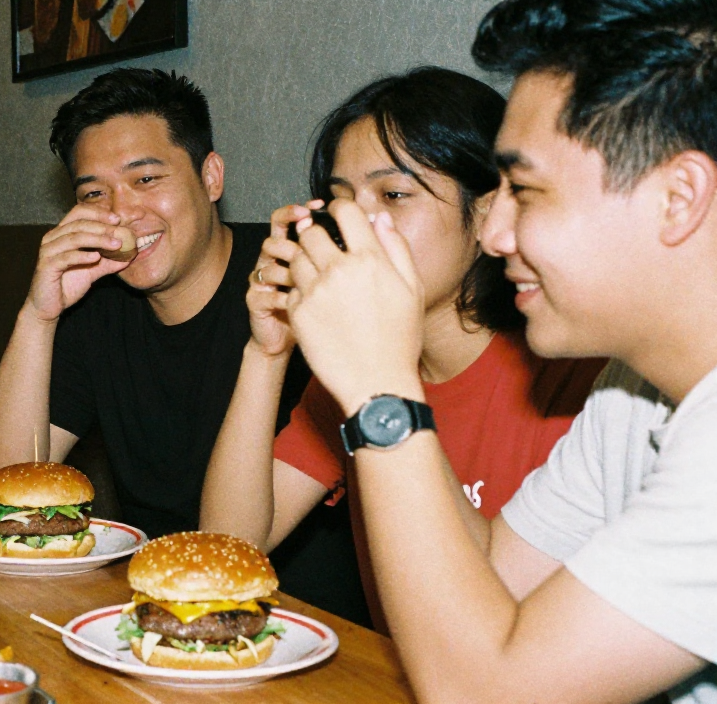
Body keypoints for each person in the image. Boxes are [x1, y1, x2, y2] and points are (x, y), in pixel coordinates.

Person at [278, 0, 717, 701]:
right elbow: (490, 579)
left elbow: (482, 694)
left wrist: (379, 391)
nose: (493, 234)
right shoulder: (628, 391)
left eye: (526, 191)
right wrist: (390, 370)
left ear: (677, 198)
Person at [199, 67, 603, 627]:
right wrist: (266, 352)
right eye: (340, 200)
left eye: (393, 194)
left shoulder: (577, 379)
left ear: (489, 212)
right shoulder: (354, 366)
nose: (356, 223)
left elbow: (495, 625)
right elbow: (226, 552)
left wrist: (378, 381)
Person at [0, 67, 323, 591]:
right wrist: (39, 314)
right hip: (142, 598)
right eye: (94, 194)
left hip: (296, 612)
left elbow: (232, 548)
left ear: (211, 178)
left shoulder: (287, 283)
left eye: (145, 180)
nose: (122, 214)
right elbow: (5, 490)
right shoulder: (98, 301)